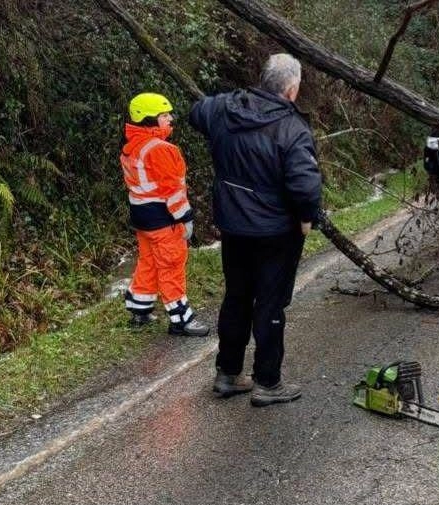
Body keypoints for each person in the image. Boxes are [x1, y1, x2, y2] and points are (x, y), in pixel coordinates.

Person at [189, 54, 322, 407]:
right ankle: (267, 382)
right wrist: (307, 217)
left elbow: (195, 112)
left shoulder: (223, 109)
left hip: (234, 227)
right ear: (292, 89)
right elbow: (305, 186)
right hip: (277, 233)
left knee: (236, 296)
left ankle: (228, 373)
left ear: (262, 80)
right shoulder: (293, 128)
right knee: (271, 304)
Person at [119, 92, 210, 337]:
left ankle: (140, 309)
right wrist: (185, 218)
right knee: (171, 265)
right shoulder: (161, 149)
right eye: (164, 115)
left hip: (142, 219)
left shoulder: (131, 146)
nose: (171, 118)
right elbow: (173, 191)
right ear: (150, 119)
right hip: (163, 220)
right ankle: (181, 320)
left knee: (148, 262)